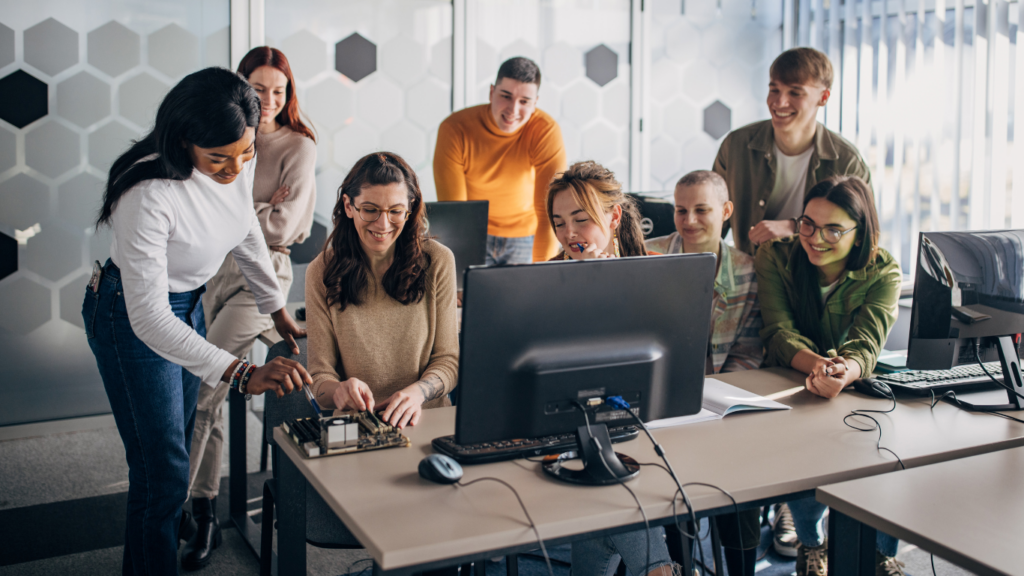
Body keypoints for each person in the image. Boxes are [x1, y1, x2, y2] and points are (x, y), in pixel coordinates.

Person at [83, 67, 310, 576]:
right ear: (184, 141)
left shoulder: (236, 151)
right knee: (160, 474)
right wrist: (243, 373)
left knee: (176, 456)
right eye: (219, 160)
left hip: (187, 305)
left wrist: (277, 308)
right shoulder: (147, 192)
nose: (235, 169)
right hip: (132, 317)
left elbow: (244, 229)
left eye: (245, 154)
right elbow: (149, 318)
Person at [181, 47, 318, 570]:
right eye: (258, 89)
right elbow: (195, 210)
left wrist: (241, 213)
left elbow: (284, 229)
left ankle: (174, 508)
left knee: (205, 385)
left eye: (279, 91)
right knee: (206, 399)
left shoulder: (297, 146)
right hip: (209, 271)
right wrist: (260, 206)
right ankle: (205, 511)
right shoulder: (224, 138)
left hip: (262, 278)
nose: (269, 99)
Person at [754, 176, 903, 576]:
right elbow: (778, 332)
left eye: (833, 229)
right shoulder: (776, 255)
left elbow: (867, 343)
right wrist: (819, 367)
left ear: (860, 233)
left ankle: (880, 554)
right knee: (803, 452)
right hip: (792, 381)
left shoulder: (883, 269)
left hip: (855, 385)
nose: (816, 238)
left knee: (882, 452)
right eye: (808, 224)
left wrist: (844, 370)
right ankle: (811, 543)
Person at [546, 161, 680, 576]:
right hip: (571, 430)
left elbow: (669, 363)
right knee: (621, 499)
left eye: (581, 220)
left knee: (611, 512)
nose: (569, 234)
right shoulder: (546, 283)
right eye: (559, 222)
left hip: (647, 428)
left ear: (614, 216)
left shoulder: (657, 276)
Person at [646, 170, 763, 575]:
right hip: (660, 400)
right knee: (674, 485)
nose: (689, 220)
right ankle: (680, 563)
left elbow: (749, 349)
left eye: (701, 210)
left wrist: (715, 397)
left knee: (739, 473)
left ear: (726, 211)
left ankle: (741, 564)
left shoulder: (748, 271)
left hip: (721, 397)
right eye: (680, 210)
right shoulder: (648, 257)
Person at [306, 151, 459, 429]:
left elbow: (448, 361)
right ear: (349, 206)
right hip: (360, 426)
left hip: (428, 419)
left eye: (395, 211)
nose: (383, 224)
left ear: (410, 209)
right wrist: (339, 390)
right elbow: (319, 377)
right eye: (370, 209)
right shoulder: (321, 271)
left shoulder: (437, 260)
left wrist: (417, 393)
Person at [713, 47, 871, 257]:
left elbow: (864, 233)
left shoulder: (847, 161)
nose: (779, 102)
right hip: (749, 277)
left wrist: (794, 226)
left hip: (815, 281)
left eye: (795, 93)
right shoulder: (735, 146)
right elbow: (713, 221)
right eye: (774, 90)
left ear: (823, 97)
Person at [434, 56, 567, 264]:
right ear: (491, 92)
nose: (513, 110)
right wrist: (457, 277)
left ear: (535, 103)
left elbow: (548, 210)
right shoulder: (455, 129)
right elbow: (455, 213)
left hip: (527, 237)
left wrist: (544, 270)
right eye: (506, 96)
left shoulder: (545, 131)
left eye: (524, 102)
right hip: (473, 236)